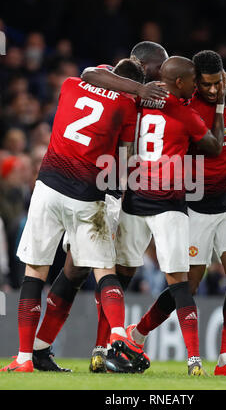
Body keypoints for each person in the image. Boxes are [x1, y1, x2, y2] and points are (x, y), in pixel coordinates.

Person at [125, 50, 226, 377]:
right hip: (195, 205)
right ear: (196, 82)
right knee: (190, 285)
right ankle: (137, 333)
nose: (213, 90)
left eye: (217, 82)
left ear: (224, 75)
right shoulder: (185, 105)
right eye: (206, 84)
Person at [0, 57, 159, 373]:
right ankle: (117, 338)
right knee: (103, 270)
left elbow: (90, 73)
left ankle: (25, 358)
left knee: (35, 271)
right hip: (90, 195)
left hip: (48, 186)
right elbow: (125, 158)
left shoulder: (71, 85)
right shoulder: (128, 107)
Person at [114, 55, 225, 376]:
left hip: (134, 198)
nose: (195, 85)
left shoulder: (139, 101)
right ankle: (194, 361)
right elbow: (215, 147)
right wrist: (217, 109)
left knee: (118, 278)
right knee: (180, 282)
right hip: (168, 202)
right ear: (179, 83)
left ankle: (107, 345)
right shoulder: (184, 112)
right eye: (192, 80)